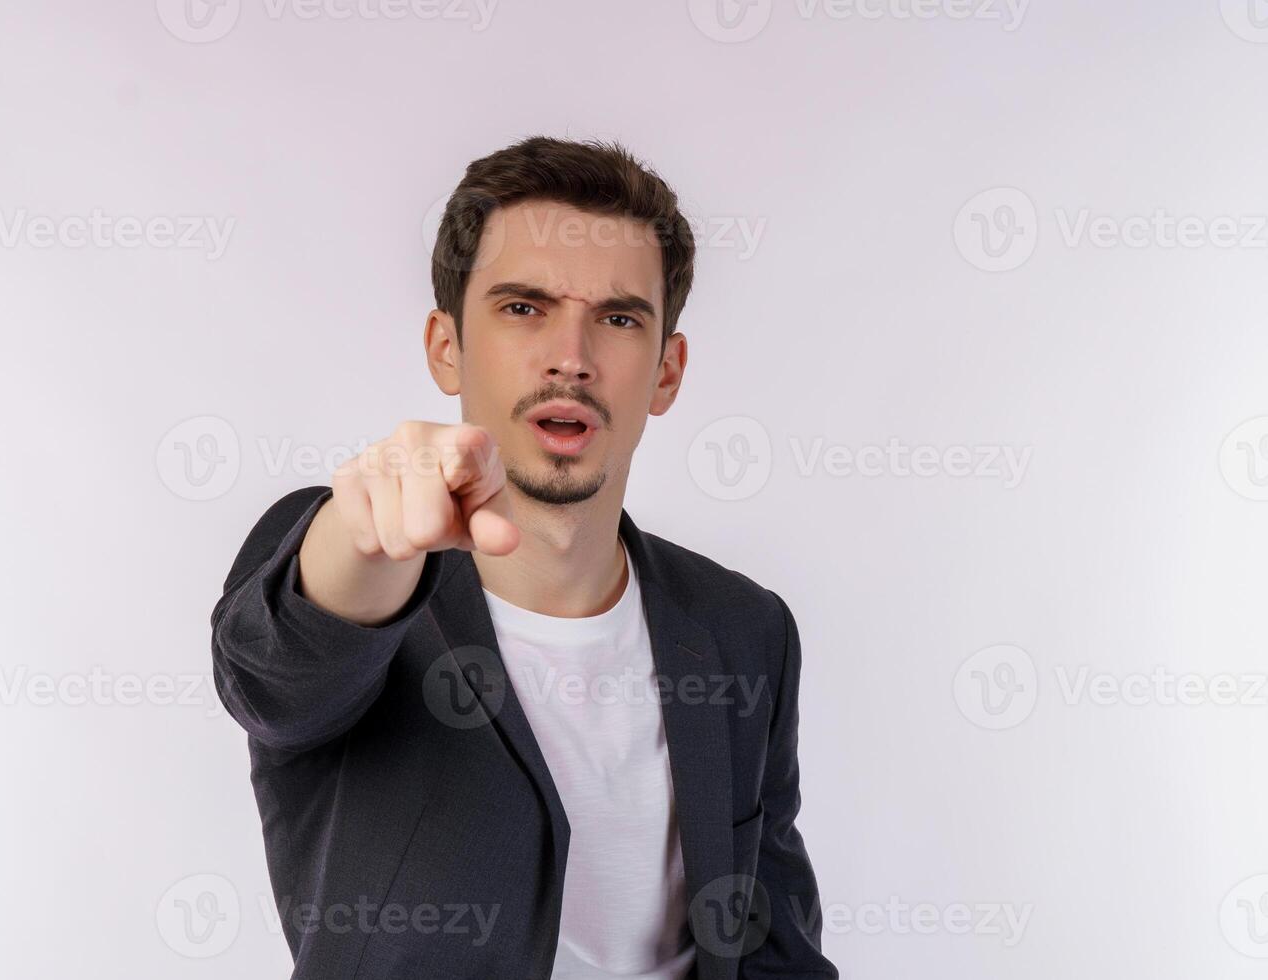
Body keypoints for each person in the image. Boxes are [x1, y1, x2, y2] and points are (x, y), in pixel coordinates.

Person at [210, 135, 839, 979]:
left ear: (666, 371)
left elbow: (772, 950)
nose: (571, 357)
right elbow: (278, 672)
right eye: (523, 308)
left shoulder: (742, 628)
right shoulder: (357, 560)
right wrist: (360, 546)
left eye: (618, 319)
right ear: (446, 346)